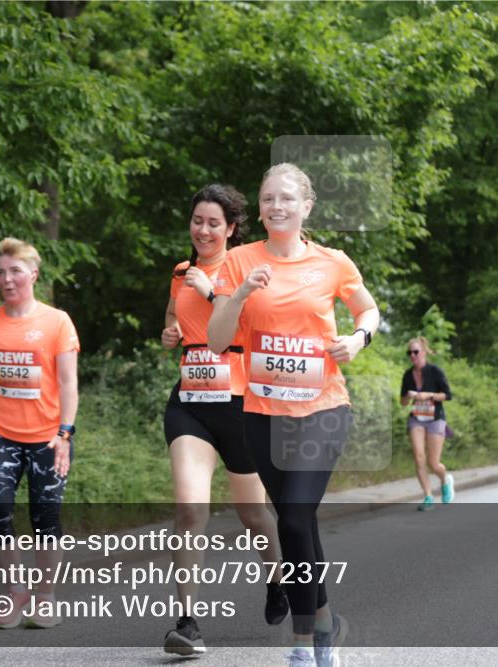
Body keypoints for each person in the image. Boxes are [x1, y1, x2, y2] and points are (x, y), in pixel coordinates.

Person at [208, 163, 380, 667]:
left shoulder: (333, 263)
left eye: (286, 198)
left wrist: (357, 339)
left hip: (323, 408)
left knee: (297, 516)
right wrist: (239, 294)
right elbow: (218, 340)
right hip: (261, 413)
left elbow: (368, 311)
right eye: (267, 198)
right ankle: (326, 620)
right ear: (259, 209)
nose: (276, 206)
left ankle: (305, 643)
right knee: (295, 524)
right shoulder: (239, 261)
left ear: (307, 207)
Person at [160, 184, 288, 656]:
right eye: (198, 220)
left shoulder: (250, 271)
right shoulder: (180, 272)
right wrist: (169, 335)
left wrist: (214, 292)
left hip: (238, 404)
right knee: (190, 509)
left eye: (215, 223)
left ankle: (278, 580)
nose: (204, 230)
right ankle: (187, 623)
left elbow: (250, 327)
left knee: (254, 515)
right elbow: (172, 320)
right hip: (190, 404)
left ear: (232, 229)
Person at [0, 237, 79, 629]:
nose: (7, 279)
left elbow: (68, 384)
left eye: (15, 271)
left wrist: (64, 434)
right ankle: (16, 593)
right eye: (0, 272)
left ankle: (44, 596)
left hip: (48, 437)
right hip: (1, 436)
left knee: (45, 518)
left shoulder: (56, 321)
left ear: (33, 273)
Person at [401, 337, 455, 507]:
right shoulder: (408, 375)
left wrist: (428, 395)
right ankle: (428, 496)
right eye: (409, 353)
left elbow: (447, 395)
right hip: (417, 418)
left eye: (415, 352)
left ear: (423, 352)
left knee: (433, 463)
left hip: (435, 419)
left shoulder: (435, 371)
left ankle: (445, 480)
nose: (412, 355)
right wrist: (408, 396)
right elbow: (402, 402)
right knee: (419, 457)